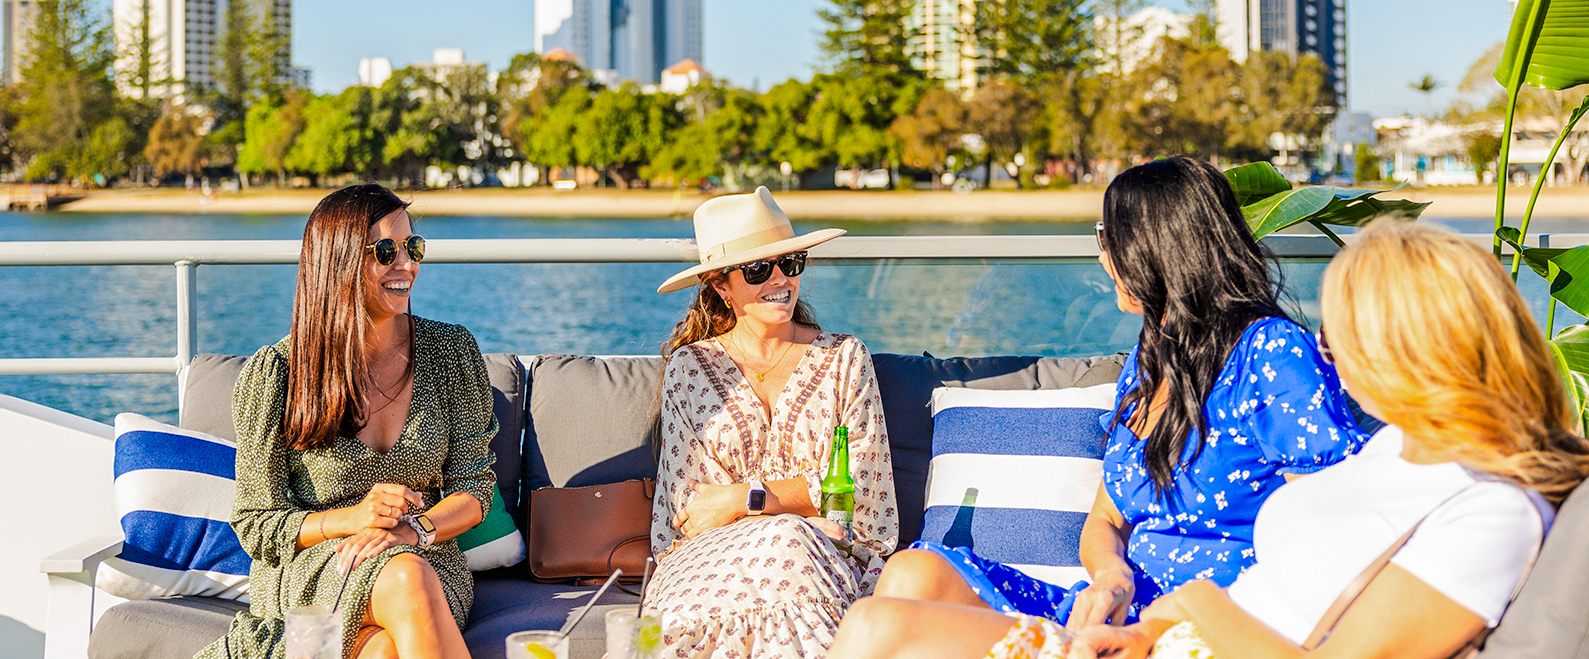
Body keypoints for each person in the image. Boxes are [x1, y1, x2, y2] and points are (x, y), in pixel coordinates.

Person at [828, 218, 1589, 659]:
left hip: (1195, 640)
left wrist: (1185, 607)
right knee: (900, 596)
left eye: (1338, 336)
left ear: (1411, 347)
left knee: (879, 628)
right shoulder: (1399, 447)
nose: (1321, 351)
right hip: (1168, 635)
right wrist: (1146, 618)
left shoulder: (1489, 509)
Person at [868, 157, 1366, 631]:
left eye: (1108, 238)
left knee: (888, 628)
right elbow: (1106, 517)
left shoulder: (1271, 353)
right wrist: (1110, 575)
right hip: (1121, 608)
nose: (1102, 255)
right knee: (913, 574)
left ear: (1158, 249)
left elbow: (1328, 521)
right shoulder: (1148, 363)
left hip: (1216, 620)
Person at [197, 185, 499, 659]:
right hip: (319, 564)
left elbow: (475, 492)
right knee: (401, 591)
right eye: (385, 252)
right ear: (337, 263)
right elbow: (257, 524)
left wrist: (413, 530)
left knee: (387, 641)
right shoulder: (279, 373)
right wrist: (354, 518)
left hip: (426, 554)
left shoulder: (451, 353)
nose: (407, 265)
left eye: (412, 247)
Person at [642, 186, 899, 659]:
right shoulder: (690, 368)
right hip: (709, 569)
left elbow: (867, 500)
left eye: (792, 262)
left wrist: (744, 498)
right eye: (759, 268)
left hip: (820, 561)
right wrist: (805, 504)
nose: (781, 279)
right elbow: (686, 516)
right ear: (722, 285)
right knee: (782, 543)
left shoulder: (844, 359)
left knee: (789, 545)